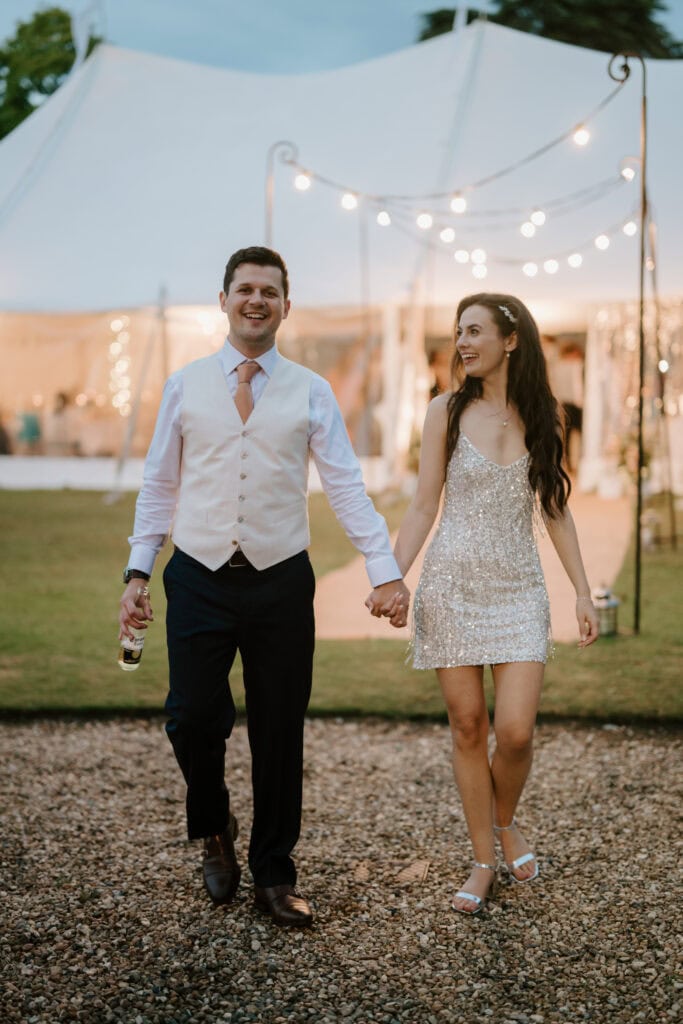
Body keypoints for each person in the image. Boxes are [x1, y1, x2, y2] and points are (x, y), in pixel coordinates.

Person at [118, 246, 409, 928]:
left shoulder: (310, 388)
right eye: (244, 289)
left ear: (285, 305)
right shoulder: (185, 384)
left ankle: (275, 872)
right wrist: (138, 570)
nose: (256, 300)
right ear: (223, 301)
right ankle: (213, 826)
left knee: (279, 729)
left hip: (280, 580)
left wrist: (382, 565)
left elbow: (342, 483)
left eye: (269, 291)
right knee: (191, 716)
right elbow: (159, 483)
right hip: (197, 575)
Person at [367, 292, 598, 915]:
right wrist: (392, 578)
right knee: (469, 726)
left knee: (516, 733)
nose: (463, 342)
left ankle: (504, 822)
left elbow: (555, 508)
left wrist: (581, 590)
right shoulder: (443, 410)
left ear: (511, 340)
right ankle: (482, 857)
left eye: (475, 331)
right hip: (451, 587)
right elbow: (422, 505)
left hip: (519, 589)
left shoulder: (547, 414)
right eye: (459, 332)